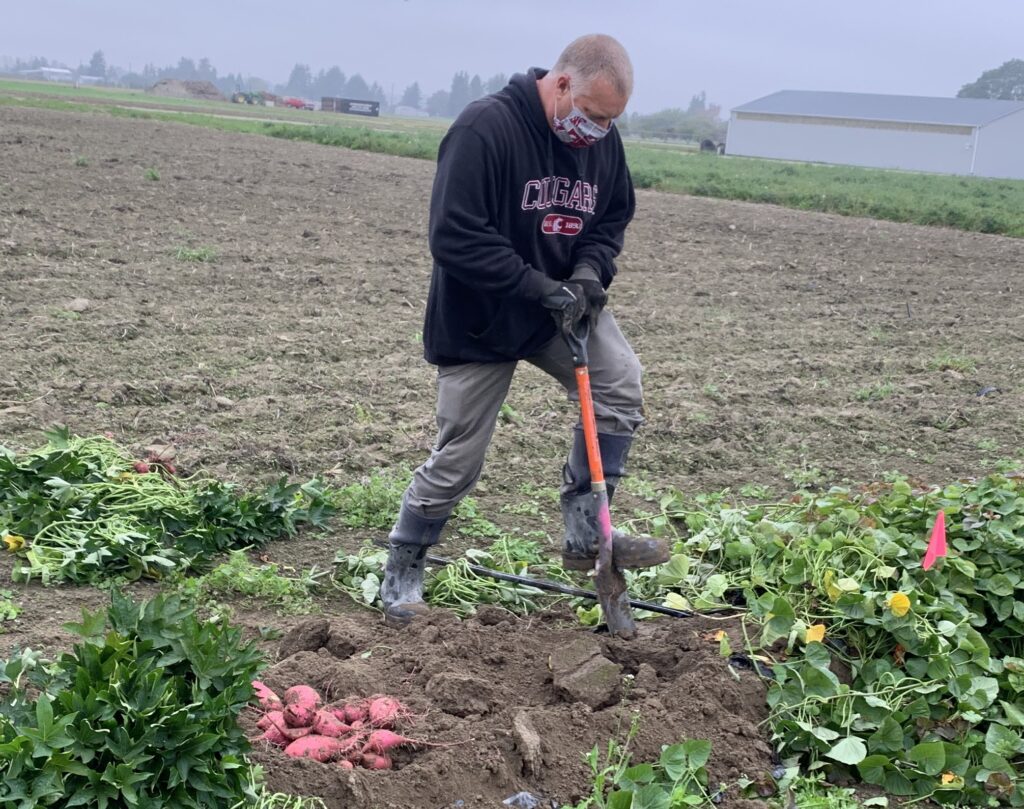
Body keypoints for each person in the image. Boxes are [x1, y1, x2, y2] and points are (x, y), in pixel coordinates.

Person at [382, 34, 669, 627]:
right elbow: (454, 236)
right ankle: (404, 568)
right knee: (459, 458)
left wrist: (589, 273)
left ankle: (586, 528)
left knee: (620, 383)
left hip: (561, 308)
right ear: (562, 84)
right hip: (481, 317)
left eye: (611, 122)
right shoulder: (485, 128)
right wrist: (540, 287)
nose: (598, 131)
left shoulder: (601, 141)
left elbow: (611, 217)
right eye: (592, 116)